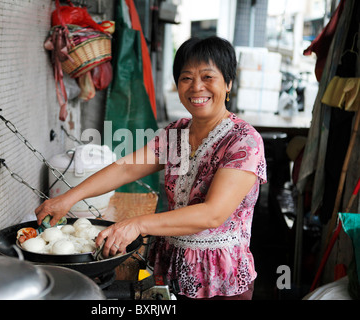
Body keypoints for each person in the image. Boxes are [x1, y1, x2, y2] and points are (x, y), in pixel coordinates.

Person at [35, 36, 267, 300]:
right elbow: (125, 169)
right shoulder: (177, 133)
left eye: (208, 77)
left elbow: (212, 215)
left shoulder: (244, 141)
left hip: (219, 280)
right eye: (186, 78)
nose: (196, 87)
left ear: (228, 83)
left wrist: (137, 224)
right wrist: (68, 197)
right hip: (170, 268)